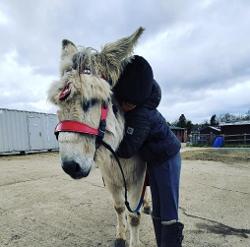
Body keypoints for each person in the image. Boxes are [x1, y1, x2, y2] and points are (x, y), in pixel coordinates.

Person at [113, 55, 184, 247]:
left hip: (167, 159)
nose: (124, 105)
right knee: (158, 209)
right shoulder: (138, 107)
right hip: (156, 159)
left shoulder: (140, 116)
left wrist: (106, 143)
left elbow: (128, 148)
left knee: (168, 211)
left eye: (127, 101)